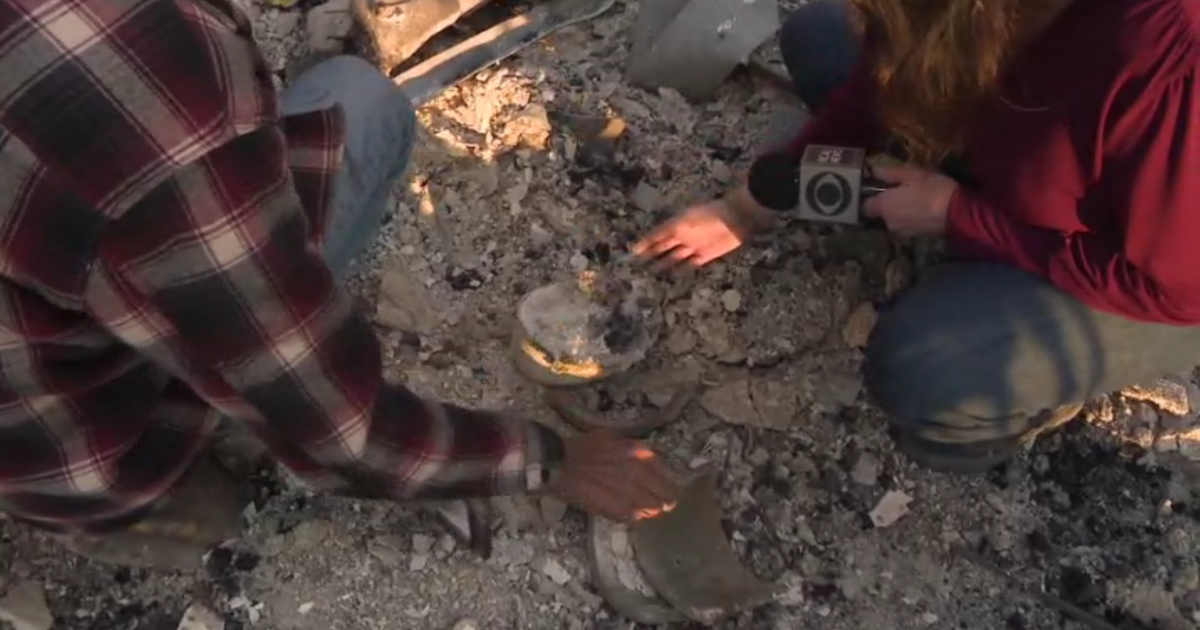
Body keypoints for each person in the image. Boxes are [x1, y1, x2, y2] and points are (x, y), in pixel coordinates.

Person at [0, 0, 676, 567]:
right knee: (367, 105)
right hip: (75, 454)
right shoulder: (150, 111)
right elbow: (350, 439)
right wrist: (552, 462)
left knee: (344, 99)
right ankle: (160, 504)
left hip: (37, 357)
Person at [636, 0, 1200, 473]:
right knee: (817, 36)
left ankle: (1008, 409)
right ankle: (983, 225)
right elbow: (885, 75)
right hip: (1022, 146)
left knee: (919, 368)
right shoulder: (965, 21)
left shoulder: (1164, 57)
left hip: (1164, 275)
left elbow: (1176, 290)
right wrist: (751, 204)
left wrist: (960, 217)